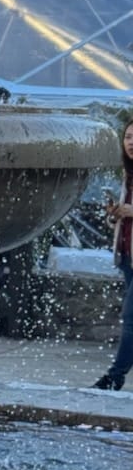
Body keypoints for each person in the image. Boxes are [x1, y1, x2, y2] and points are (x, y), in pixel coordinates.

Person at [94, 119, 133, 390]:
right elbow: (120, 221)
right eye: (128, 137)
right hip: (127, 258)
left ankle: (114, 378)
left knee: (130, 320)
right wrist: (114, 214)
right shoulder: (126, 175)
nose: (131, 142)